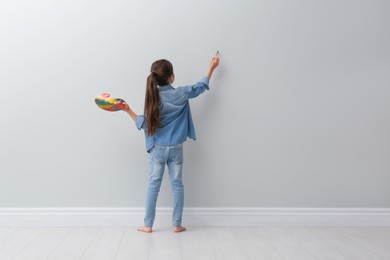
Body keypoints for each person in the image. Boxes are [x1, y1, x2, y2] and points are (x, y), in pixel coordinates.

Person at [121, 53, 220, 233]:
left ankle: (148, 225)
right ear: (171, 77)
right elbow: (201, 86)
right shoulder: (181, 93)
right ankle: (177, 224)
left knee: (153, 185)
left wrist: (128, 110)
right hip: (176, 148)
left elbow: (143, 124)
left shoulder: (153, 99)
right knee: (177, 184)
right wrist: (211, 67)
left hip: (157, 149)